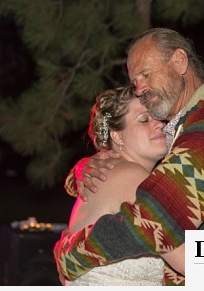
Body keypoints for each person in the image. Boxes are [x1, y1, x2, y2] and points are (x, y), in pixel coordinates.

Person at [55, 28, 204, 284]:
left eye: (145, 74)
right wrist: (86, 167)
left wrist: (70, 253)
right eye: (135, 82)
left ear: (179, 61)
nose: (140, 88)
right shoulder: (186, 128)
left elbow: (155, 220)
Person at [57, 88, 183, 285]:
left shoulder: (110, 173)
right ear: (117, 136)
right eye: (144, 120)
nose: (159, 124)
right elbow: (185, 259)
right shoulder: (129, 176)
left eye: (159, 117)